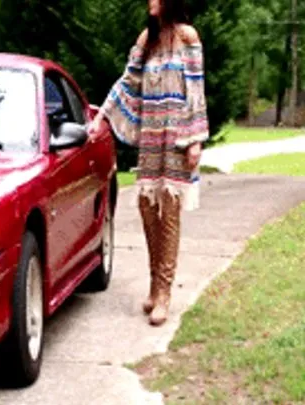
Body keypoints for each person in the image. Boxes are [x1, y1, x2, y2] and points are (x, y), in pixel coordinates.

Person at [87, 0, 209, 326]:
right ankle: (155, 282)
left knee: (169, 214)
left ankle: (164, 293)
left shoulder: (187, 37)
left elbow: (196, 90)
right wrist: (101, 117)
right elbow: (127, 82)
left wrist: (196, 138)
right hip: (150, 140)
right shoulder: (147, 40)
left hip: (179, 138)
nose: (149, 1)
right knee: (145, 208)